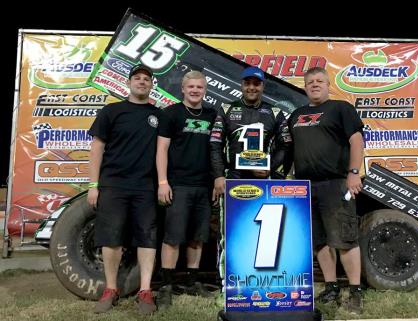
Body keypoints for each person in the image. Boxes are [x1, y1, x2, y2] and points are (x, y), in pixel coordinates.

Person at [210, 66, 292, 301]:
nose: (251, 88)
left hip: (264, 181)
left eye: (256, 84)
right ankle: (227, 283)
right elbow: (215, 144)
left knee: (261, 231)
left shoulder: (275, 112)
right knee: (230, 231)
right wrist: (218, 175)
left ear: (262, 86)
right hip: (233, 179)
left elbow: (286, 144)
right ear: (241, 85)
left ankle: (259, 278)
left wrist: (269, 168)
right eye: (247, 83)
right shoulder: (226, 109)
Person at [287, 67, 364, 314]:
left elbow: (356, 141)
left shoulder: (341, 108)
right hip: (305, 187)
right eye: (310, 82)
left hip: (336, 183)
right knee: (319, 241)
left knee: (344, 239)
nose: (315, 84)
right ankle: (331, 287)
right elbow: (290, 151)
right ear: (305, 86)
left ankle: (355, 292)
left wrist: (353, 173)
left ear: (328, 84)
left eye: (320, 81)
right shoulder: (296, 115)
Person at [87, 64, 159, 315]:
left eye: (146, 79)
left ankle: (146, 291)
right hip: (113, 184)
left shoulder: (158, 115)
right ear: (129, 83)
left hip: (146, 187)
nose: (141, 82)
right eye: (137, 78)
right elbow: (97, 148)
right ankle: (110, 289)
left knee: (147, 238)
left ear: (152, 85)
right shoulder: (111, 111)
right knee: (112, 238)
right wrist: (93, 185)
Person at [156, 71, 217, 309]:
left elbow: (217, 150)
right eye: (191, 86)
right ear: (183, 89)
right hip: (178, 184)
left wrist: (214, 182)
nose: (195, 90)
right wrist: (163, 182)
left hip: (203, 185)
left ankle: (193, 282)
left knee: (197, 237)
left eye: (199, 87)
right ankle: (166, 285)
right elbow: (161, 150)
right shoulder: (170, 113)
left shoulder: (212, 115)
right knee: (172, 237)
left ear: (205, 90)